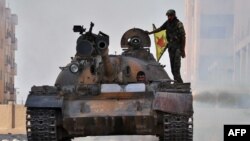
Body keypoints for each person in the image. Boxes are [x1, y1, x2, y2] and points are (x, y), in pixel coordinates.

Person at [146, 9, 186, 83]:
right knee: (172, 69)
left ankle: (180, 83)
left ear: (174, 15)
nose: (169, 17)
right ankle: (177, 83)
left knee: (176, 69)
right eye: (168, 16)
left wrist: (183, 50)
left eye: (170, 16)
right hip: (171, 48)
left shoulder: (179, 24)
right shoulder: (167, 23)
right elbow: (160, 29)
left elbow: (183, 37)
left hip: (177, 48)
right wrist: (150, 33)